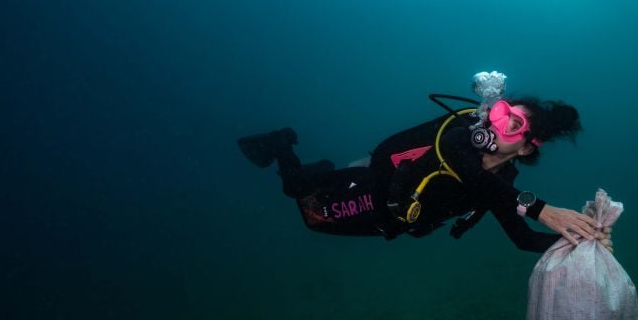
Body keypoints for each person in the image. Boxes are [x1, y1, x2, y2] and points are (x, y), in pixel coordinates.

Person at [237, 88, 612, 254]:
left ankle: (323, 169)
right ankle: (283, 144)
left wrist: (581, 241)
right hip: (368, 188)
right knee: (297, 194)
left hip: (388, 222)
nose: (496, 126)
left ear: (530, 145)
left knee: (312, 221)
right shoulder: (458, 138)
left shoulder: (504, 184)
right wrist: (543, 209)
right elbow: (472, 175)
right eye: (500, 114)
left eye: (512, 125)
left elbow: (524, 239)